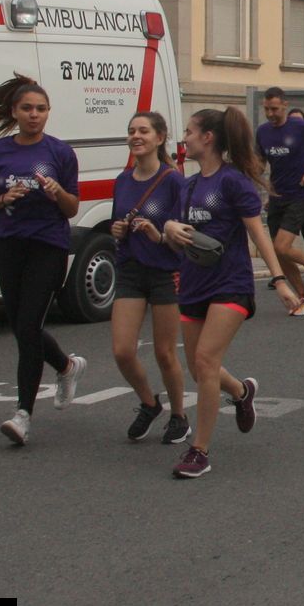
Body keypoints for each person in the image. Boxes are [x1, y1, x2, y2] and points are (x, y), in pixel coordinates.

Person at [161, 107, 300, 478]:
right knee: (198, 369)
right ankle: (241, 392)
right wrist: (169, 229)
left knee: (206, 361)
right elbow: (174, 232)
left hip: (230, 285)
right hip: (193, 284)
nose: (184, 138)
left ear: (207, 138)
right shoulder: (188, 185)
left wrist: (279, 280)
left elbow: (258, 233)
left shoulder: (233, 182)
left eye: (189, 131)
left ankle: (199, 451)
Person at [0, 76, 87, 448]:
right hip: (10, 244)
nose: (34, 114)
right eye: (27, 108)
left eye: (40, 109)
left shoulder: (60, 153)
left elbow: (72, 208)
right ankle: (66, 366)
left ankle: (22, 414)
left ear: (48, 112)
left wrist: (57, 192)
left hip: (48, 245)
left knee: (28, 326)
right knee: (20, 326)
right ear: (15, 112)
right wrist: (4, 198)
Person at [108, 111, 190, 445]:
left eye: (143, 131)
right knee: (122, 351)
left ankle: (179, 416)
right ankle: (149, 402)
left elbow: (186, 233)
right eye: (131, 131)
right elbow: (117, 223)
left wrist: (160, 236)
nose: (136, 136)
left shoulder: (173, 181)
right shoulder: (122, 180)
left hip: (165, 272)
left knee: (164, 353)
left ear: (159, 138)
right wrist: (118, 230)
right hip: (130, 270)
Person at [255, 87, 304, 307]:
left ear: (285, 105)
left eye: (274, 109)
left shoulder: (301, 127)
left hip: (300, 194)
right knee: (280, 254)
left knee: (282, 247)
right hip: (276, 196)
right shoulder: (263, 132)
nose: (270, 114)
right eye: (266, 109)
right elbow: (261, 163)